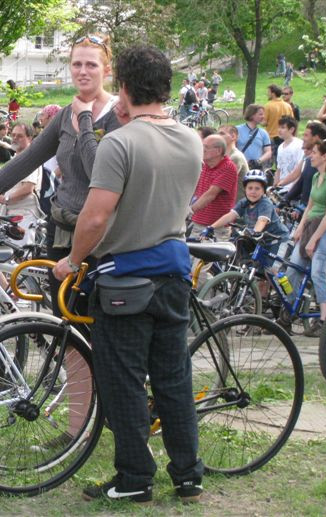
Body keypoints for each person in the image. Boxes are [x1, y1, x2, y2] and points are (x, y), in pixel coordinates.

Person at [52, 45, 204, 504]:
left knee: (123, 381)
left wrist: (72, 261)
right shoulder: (191, 138)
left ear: (122, 86)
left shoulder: (119, 142)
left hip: (125, 280)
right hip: (174, 273)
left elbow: (96, 218)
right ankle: (188, 474)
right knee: (173, 378)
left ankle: (135, 476)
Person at [0, 33, 121, 316]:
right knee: (64, 322)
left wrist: (84, 120)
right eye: (77, 64)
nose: (83, 72)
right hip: (61, 231)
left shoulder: (117, 116)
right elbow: (26, 161)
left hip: (101, 238)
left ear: (107, 70)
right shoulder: (65, 115)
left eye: (91, 65)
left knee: (93, 323)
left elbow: (100, 174)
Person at [280, 140, 326, 337]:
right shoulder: (315, 177)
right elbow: (309, 207)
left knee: (318, 273)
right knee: (292, 270)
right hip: (310, 225)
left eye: (314, 152)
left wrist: (314, 240)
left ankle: (324, 320)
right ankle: (288, 312)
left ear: (325, 156)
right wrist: (300, 229)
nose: (310, 155)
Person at [201, 169, 289, 254]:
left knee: (271, 266)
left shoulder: (265, 204)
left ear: (263, 191)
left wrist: (253, 233)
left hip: (277, 239)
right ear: (245, 190)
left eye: (257, 189)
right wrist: (211, 227)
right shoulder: (244, 202)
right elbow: (230, 216)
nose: (253, 192)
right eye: (250, 188)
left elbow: (262, 221)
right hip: (260, 238)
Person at [0, 123, 42, 245]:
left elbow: (28, 188)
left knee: (22, 253)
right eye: (13, 135)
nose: (15, 138)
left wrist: (5, 199)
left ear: (30, 138)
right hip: (12, 213)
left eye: (20, 136)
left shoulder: (30, 158)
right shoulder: (17, 157)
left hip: (24, 213)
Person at [190, 135, 238, 240]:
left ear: (218, 151)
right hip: (198, 223)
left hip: (216, 228)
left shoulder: (227, 167)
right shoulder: (205, 165)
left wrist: (189, 211)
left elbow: (211, 194)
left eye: (205, 147)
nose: (202, 150)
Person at [279, 121, 326, 207]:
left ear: (316, 138)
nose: (303, 138)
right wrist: (286, 198)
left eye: (306, 135)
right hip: (303, 210)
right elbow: (302, 181)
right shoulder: (309, 159)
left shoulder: (325, 160)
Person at [218, 124, 249, 200]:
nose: (218, 137)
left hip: (237, 205)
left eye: (222, 134)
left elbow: (222, 184)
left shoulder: (236, 157)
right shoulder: (222, 156)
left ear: (233, 136)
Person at [263, 84, 293, 161]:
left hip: (271, 136)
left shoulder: (268, 105)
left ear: (273, 93)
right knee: (282, 160)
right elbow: (292, 121)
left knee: (268, 162)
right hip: (285, 136)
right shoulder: (287, 106)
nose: (267, 94)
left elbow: (264, 123)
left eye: (268, 92)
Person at [236, 104, 272, 169]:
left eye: (263, 114)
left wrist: (258, 161)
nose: (263, 117)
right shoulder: (237, 130)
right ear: (252, 115)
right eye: (260, 114)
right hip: (240, 167)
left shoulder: (263, 133)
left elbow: (268, 152)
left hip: (256, 168)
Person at [274, 116, 304, 193]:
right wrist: (274, 187)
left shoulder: (299, 145)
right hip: (281, 188)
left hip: (292, 188)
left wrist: (293, 189)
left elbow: (300, 170)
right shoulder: (280, 147)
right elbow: (279, 169)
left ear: (291, 129)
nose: (279, 130)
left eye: (283, 127)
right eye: (279, 127)